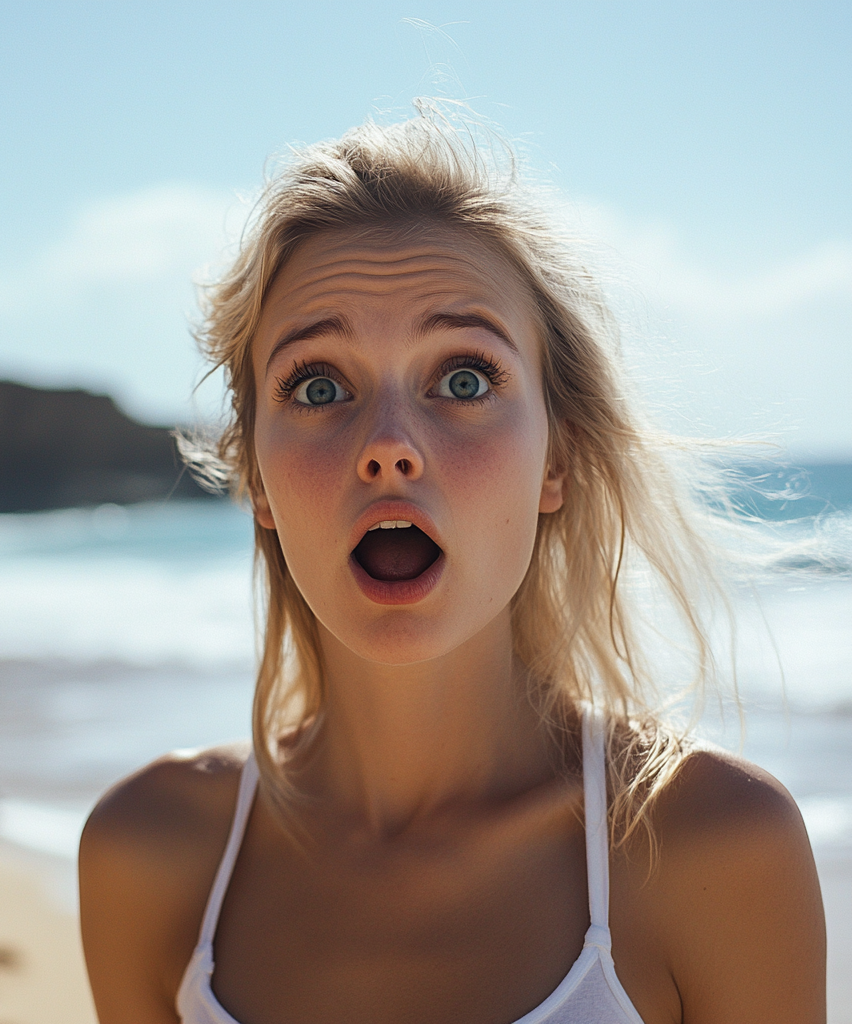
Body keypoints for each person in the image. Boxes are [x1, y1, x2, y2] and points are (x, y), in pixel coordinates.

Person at [78, 111, 826, 1024]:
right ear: (259, 477)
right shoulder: (150, 857)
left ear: (555, 461)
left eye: (464, 379)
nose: (389, 447)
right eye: (319, 386)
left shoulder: (713, 850)